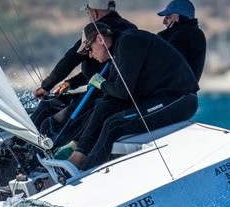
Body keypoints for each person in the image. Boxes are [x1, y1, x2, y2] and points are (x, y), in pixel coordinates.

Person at [67, 22, 199, 171]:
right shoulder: (118, 49)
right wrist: (80, 142)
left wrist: (101, 84)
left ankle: (85, 171)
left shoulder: (128, 42)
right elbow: (112, 98)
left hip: (179, 99)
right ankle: (77, 156)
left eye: (89, 49)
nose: (90, 55)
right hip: (158, 97)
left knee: (113, 124)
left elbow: (123, 90)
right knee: (103, 107)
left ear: (99, 39)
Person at [31, 0, 136, 148]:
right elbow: (101, 67)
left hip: (102, 93)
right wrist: (72, 83)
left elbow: (71, 59)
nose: (89, 16)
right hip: (108, 89)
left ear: (94, 12)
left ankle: (20, 144)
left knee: (47, 107)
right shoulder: (130, 28)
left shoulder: (98, 31)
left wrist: (46, 86)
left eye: (88, 12)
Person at [156, 0, 207, 81]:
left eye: (168, 17)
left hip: (172, 92)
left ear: (178, 16)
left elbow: (167, 62)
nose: (164, 21)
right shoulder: (194, 33)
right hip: (182, 91)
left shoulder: (186, 34)